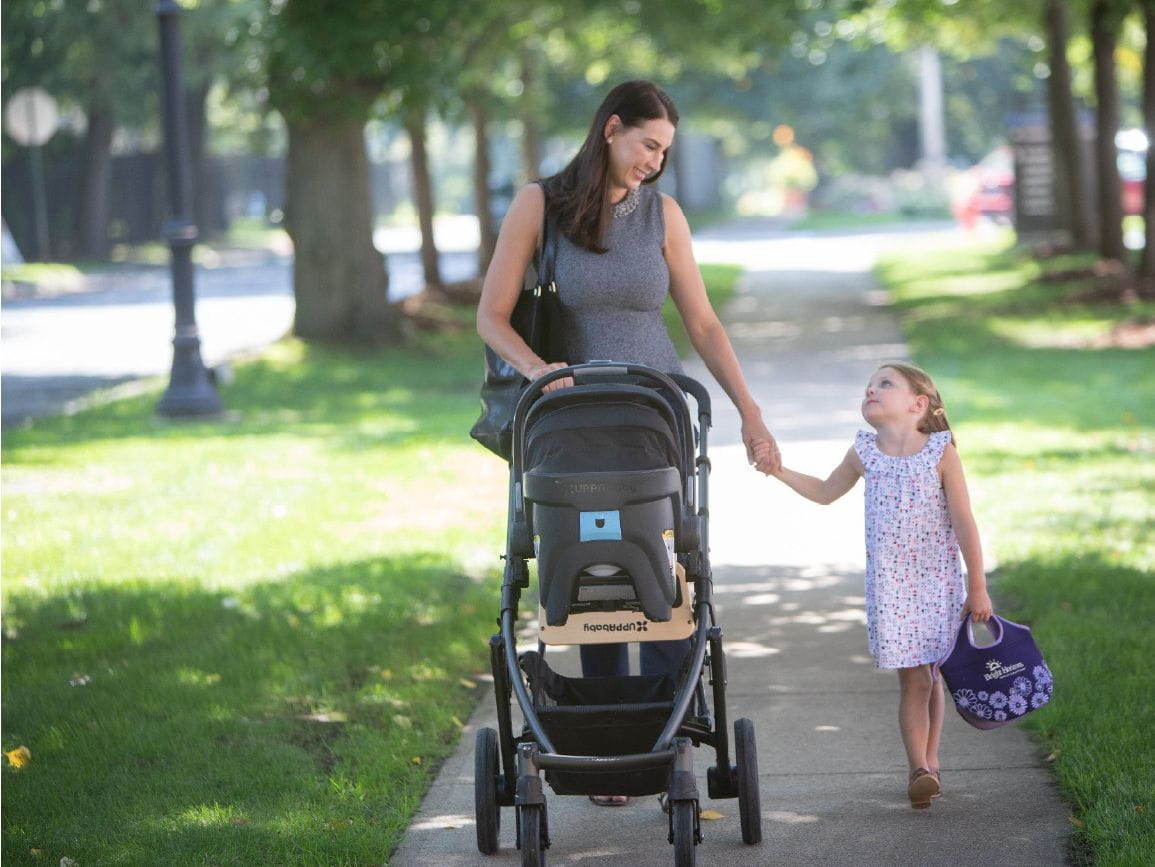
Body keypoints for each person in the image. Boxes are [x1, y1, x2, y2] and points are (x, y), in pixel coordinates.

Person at [477, 80, 780, 805]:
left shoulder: (663, 215)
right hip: (575, 423)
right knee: (594, 572)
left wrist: (749, 410)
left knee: (666, 572)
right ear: (611, 129)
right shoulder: (538, 206)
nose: (654, 161)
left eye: (665, 151)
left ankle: (666, 733)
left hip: (655, 418)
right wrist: (538, 371)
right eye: (648, 144)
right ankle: (607, 742)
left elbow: (702, 324)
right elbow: (491, 316)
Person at [767, 362, 993, 809]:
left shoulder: (941, 451)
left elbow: (964, 521)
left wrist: (979, 586)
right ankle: (919, 769)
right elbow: (826, 491)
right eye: (868, 386)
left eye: (884, 384)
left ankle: (930, 763)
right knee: (914, 679)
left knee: (931, 673)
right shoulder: (864, 452)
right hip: (892, 588)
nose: (871, 390)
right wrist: (778, 470)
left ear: (918, 403)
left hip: (937, 582)